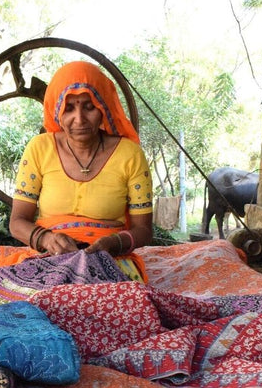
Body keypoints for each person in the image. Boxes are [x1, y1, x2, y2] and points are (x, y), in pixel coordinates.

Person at [9, 60, 154, 281]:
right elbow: (17, 221)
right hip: (47, 256)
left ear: (103, 108)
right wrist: (46, 239)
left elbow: (143, 230)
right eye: (69, 108)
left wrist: (113, 244)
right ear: (57, 110)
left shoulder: (130, 154)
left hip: (111, 259)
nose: (79, 119)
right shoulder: (39, 148)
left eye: (89, 106)